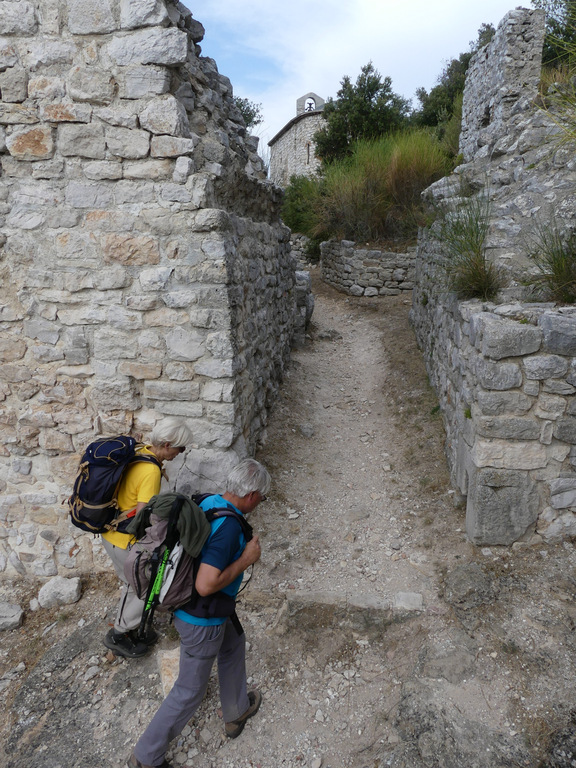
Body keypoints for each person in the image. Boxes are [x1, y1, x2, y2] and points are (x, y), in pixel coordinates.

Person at [128, 458, 270, 768]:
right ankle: (145, 757)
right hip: (201, 618)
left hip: (208, 610)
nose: (260, 502)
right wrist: (247, 558)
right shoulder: (230, 526)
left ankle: (236, 711)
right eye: (262, 497)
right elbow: (206, 584)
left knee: (233, 644)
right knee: (190, 691)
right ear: (251, 495)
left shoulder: (209, 501)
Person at [102, 417, 193, 659]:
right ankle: (119, 634)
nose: (180, 454)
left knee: (131, 583)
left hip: (109, 533)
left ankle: (128, 627)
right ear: (165, 444)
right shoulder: (151, 470)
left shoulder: (140, 451)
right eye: (179, 448)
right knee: (145, 585)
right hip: (124, 541)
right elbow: (142, 516)